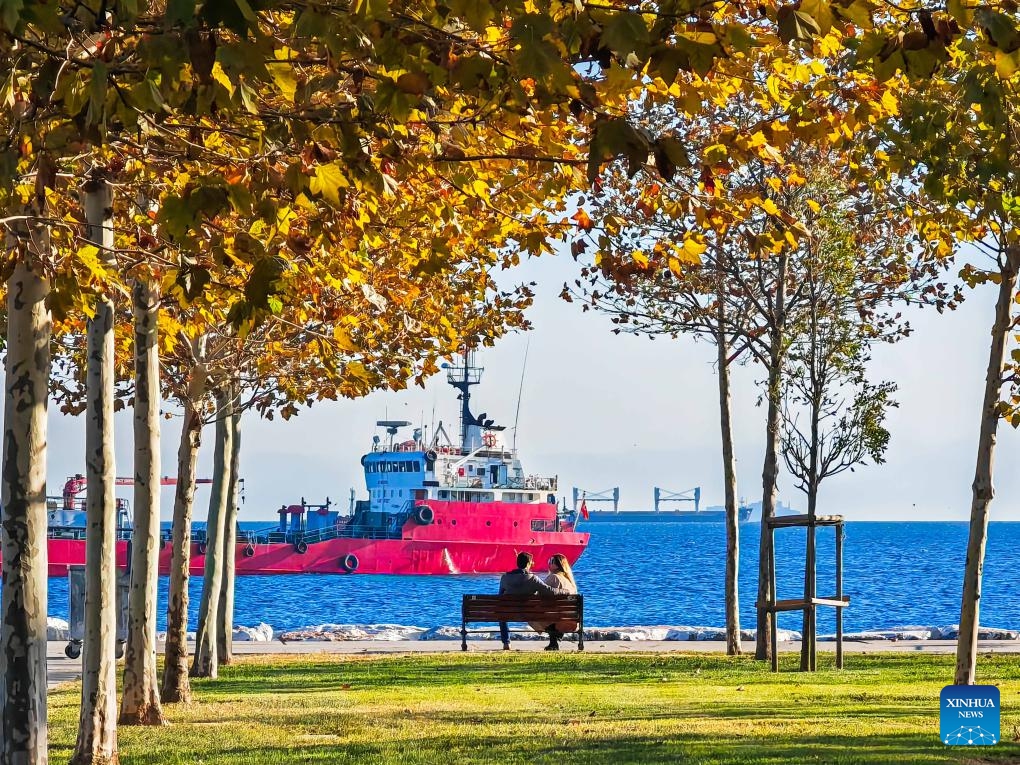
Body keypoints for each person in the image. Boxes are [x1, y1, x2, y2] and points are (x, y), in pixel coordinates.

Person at [498, 552, 564, 650]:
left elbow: (499, 597)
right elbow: (550, 591)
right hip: (529, 614)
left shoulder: (505, 578)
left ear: (518, 563)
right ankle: (554, 640)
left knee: (501, 612)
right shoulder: (533, 579)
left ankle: (506, 642)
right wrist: (564, 591)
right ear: (528, 564)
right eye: (531, 562)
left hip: (509, 613)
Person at [529, 554, 578, 651]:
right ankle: (555, 639)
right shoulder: (570, 582)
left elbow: (540, 593)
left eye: (550, 562)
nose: (548, 564)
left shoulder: (554, 577)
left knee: (536, 612)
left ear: (556, 565)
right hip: (571, 618)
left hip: (556, 616)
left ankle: (554, 640)